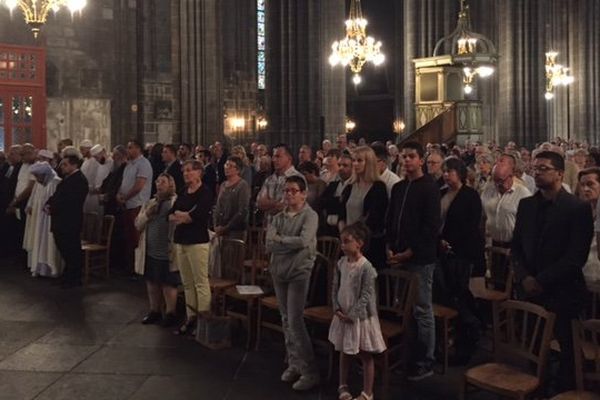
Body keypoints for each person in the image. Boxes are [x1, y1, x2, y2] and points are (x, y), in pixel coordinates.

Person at [512, 151, 593, 393]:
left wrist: (540, 280)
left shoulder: (577, 208)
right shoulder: (526, 205)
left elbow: (575, 257)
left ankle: (566, 390)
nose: (537, 172)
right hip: (530, 289)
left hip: (562, 290)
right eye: (535, 168)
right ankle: (537, 385)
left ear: (559, 173)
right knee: (534, 344)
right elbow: (516, 246)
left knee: (567, 348)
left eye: (544, 168)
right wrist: (524, 276)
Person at [386, 141, 440, 381]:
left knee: (421, 309)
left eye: (411, 157)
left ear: (421, 160)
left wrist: (410, 251)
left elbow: (430, 226)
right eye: (403, 157)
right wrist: (390, 247)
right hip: (398, 255)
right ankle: (406, 354)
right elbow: (392, 220)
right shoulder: (398, 187)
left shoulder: (429, 187)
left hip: (420, 258)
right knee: (402, 309)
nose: (406, 160)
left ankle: (425, 360)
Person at [266, 175, 319, 391]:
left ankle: (310, 370)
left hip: (298, 272)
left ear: (303, 193)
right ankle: (294, 362)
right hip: (279, 271)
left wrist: (280, 240)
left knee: (296, 321)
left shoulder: (310, 216)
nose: (288, 194)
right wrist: (282, 242)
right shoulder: (278, 217)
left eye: (293, 191)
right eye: (286, 191)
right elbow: (269, 244)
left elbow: (304, 242)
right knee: (286, 319)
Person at [329, 222, 386, 400]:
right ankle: (342, 385)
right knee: (345, 351)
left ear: (359, 243)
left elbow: (367, 295)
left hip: (360, 319)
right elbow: (335, 287)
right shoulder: (341, 263)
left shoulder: (366, 268)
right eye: (341, 241)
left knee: (365, 355)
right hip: (343, 315)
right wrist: (336, 308)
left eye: (346, 241)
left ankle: (367, 393)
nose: (342, 245)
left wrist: (352, 315)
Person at [438, 158, 485, 363]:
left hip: (464, 254)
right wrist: (440, 241)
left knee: (462, 297)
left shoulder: (470, 195)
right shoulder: (441, 193)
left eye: (450, 171)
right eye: (444, 171)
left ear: (460, 172)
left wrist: (451, 243)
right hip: (443, 253)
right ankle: (450, 342)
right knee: (448, 296)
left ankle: (469, 341)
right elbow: (437, 221)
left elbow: (471, 226)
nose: (446, 175)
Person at [169, 160, 214, 336]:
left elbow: (197, 216)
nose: (186, 174)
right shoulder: (183, 191)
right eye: (184, 171)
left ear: (199, 172)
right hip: (181, 240)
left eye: (189, 171)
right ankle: (190, 318)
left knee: (200, 283)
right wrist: (183, 215)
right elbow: (171, 214)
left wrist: (185, 216)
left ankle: (203, 322)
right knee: (187, 284)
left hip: (197, 241)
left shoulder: (205, 192)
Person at [135, 173, 180, 328]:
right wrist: (147, 214)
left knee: (168, 283)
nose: (159, 184)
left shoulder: (176, 202)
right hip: (151, 248)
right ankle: (154, 310)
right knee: (152, 281)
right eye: (158, 181)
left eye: (163, 182)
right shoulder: (150, 203)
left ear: (170, 184)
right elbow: (138, 224)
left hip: (168, 249)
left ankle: (170, 312)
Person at [340, 146, 388, 270]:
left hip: (369, 244)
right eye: (354, 160)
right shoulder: (350, 186)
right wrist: (344, 235)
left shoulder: (378, 187)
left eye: (360, 160)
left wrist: (355, 238)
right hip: (348, 242)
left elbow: (374, 217)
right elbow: (341, 213)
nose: (355, 164)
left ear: (369, 162)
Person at [46, 155, 89, 288]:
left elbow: (71, 201)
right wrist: (48, 203)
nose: (61, 167)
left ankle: (74, 278)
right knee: (64, 248)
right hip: (61, 221)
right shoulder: (68, 179)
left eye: (65, 164)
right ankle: (68, 275)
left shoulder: (80, 180)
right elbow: (57, 195)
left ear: (74, 165)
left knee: (71, 250)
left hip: (70, 221)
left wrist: (53, 207)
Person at [117, 139, 153, 274]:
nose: (128, 150)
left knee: (136, 238)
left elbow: (139, 185)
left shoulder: (144, 164)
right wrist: (119, 194)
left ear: (138, 149)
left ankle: (138, 268)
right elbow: (124, 182)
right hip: (128, 204)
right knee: (128, 237)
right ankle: (129, 267)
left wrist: (125, 197)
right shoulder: (129, 164)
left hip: (138, 204)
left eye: (130, 147)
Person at [23, 162, 63, 277]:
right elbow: (33, 196)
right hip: (38, 218)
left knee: (48, 243)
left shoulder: (55, 182)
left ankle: (51, 268)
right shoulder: (39, 182)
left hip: (49, 219)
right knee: (38, 240)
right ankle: (38, 268)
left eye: (38, 176)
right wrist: (30, 205)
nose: (36, 179)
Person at [257, 144, 304, 225]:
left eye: (278, 156)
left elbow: (288, 206)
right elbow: (260, 203)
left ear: (289, 158)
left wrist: (269, 206)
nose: (274, 160)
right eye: (273, 156)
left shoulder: (297, 178)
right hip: (270, 228)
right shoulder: (270, 179)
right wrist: (276, 204)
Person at [213, 156, 251, 240]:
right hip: (221, 227)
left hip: (235, 230)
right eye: (226, 165)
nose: (227, 168)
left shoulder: (242, 185)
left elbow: (242, 210)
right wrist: (216, 225)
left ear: (237, 170)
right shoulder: (223, 185)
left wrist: (227, 227)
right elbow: (218, 205)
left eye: (230, 166)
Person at [320, 152, 353, 236]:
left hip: (346, 229)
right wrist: (338, 200)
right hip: (328, 228)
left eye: (345, 165)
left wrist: (332, 202)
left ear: (352, 168)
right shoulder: (332, 185)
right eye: (339, 165)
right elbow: (321, 202)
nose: (341, 168)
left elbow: (344, 207)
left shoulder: (354, 187)